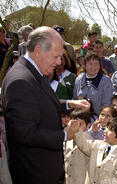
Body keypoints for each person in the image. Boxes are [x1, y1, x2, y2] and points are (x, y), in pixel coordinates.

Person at [1, 26, 90, 184]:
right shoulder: (20, 81)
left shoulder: (34, 72)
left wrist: (70, 103)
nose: (59, 62)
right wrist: (64, 134)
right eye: (56, 56)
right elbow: (25, 133)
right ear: (38, 50)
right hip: (34, 173)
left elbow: (39, 103)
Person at [74, 117, 117, 184]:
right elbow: (83, 144)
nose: (105, 131)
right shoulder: (97, 145)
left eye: (110, 130)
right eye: (106, 128)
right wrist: (76, 130)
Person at [64, 109, 92, 184]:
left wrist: (77, 132)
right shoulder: (67, 140)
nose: (76, 127)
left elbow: (86, 149)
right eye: (74, 124)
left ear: (88, 126)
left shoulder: (90, 140)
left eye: (80, 124)